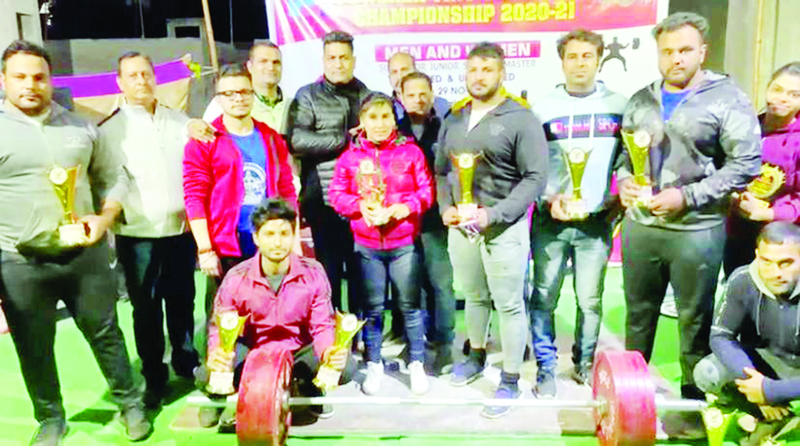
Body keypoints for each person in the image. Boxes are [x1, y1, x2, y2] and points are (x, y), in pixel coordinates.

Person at [0, 40, 151, 444]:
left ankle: (130, 403)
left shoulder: (81, 126)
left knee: (106, 333)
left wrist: (104, 219)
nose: (31, 84)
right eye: (20, 77)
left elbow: (115, 178)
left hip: (85, 255)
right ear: (4, 80)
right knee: (33, 345)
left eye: (39, 77)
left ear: (50, 80)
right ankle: (50, 418)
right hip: (19, 260)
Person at [618, 12, 761, 407]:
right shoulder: (641, 98)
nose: (675, 58)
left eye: (684, 50)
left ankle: (692, 401)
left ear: (702, 51)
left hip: (697, 230)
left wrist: (688, 196)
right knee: (638, 316)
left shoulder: (727, 98)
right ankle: (633, 397)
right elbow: (624, 157)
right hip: (641, 226)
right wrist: (626, 182)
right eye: (667, 51)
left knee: (694, 320)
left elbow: (746, 164)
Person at [437, 42, 548, 418]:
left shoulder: (521, 118)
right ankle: (477, 356)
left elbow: (535, 178)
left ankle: (511, 380)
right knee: (473, 296)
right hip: (461, 229)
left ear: (502, 74)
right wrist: (446, 208)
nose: (478, 77)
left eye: (486, 69)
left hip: (503, 229)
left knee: (509, 303)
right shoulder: (453, 118)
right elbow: (441, 172)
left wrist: (496, 214)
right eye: (472, 70)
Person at [529, 29, 628, 397]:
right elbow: (532, 168)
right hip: (549, 222)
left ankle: (584, 364)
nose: (580, 63)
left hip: (595, 223)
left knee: (590, 300)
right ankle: (545, 367)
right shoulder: (541, 108)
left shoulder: (620, 105)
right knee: (543, 296)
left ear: (599, 58)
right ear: (562, 61)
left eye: (587, 55)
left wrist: (617, 199)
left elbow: (629, 160)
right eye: (572, 56)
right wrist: (549, 198)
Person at [99, 51, 200, 408]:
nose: (141, 81)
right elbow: (105, 182)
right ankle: (154, 376)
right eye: (132, 75)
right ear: (120, 83)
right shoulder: (110, 130)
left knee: (182, 301)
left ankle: (187, 366)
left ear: (155, 77)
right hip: (137, 234)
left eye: (146, 73)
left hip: (179, 232)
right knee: (146, 309)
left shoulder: (180, 121)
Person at [199, 198, 355, 426]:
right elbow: (219, 327)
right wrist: (217, 354)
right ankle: (218, 393)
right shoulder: (235, 278)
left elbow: (322, 325)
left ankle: (305, 385)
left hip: (296, 349)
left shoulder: (314, 273)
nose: (277, 242)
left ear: (294, 237)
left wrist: (328, 354)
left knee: (346, 367)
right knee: (206, 373)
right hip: (254, 351)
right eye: (269, 234)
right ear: (256, 238)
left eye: (284, 234)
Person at [330, 92, 433, 395]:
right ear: (361, 121)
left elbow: (427, 190)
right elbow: (336, 195)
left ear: (394, 119)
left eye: (385, 116)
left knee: (410, 307)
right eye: (372, 117)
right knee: (373, 309)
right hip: (366, 246)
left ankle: (416, 362)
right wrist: (359, 206)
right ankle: (374, 363)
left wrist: (406, 207)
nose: (379, 123)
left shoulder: (411, 152)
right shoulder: (350, 157)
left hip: (404, 244)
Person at [183, 63, 297, 284]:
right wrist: (205, 249)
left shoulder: (271, 137)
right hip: (227, 247)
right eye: (229, 93)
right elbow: (194, 197)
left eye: (244, 92)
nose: (238, 98)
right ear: (219, 99)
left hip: (269, 243)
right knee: (230, 316)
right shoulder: (205, 141)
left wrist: (293, 242)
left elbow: (287, 191)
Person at [286, 31, 371, 313]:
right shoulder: (307, 95)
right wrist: (344, 139)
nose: (338, 64)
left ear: (354, 60)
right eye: (332, 58)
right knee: (328, 274)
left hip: (362, 202)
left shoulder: (367, 95)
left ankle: (360, 337)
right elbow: (297, 141)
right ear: (323, 60)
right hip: (323, 200)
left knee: (362, 274)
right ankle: (329, 336)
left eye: (344, 57)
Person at [695, 222, 800, 445]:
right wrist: (752, 382)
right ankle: (768, 416)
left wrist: (771, 391)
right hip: (766, 363)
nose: (775, 273)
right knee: (707, 371)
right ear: (757, 255)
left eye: (786, 263)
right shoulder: (742, 279)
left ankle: (771, 416)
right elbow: (721, 336)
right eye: (767, 262)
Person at [397, 71, 456, 373]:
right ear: (401, 98)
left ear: (433, 95)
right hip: (402, 223)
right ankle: (414, 343)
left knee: (442, 286)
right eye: (411, 94)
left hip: (437, 221)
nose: (418, 99)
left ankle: (445, 344)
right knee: (411, 287)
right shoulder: (393, 130)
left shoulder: (447, 127)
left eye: (424, 93)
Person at [724, 62, 800, 277]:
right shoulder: (747, 128)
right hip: (737, 231)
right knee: (737, 288)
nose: (783, 98)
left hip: (782, 239)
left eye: (794, 94)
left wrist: (768, 213)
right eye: (777, 89)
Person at [201, 41, 291, 135]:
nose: (271, 67)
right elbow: (205, 138)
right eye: (263, 61)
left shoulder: (293, 105)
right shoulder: (225, 101)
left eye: (276, 62)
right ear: (249, 66)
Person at [387, 52, 449, 122]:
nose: (400, 76)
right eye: (394, 72)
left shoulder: (442, 106)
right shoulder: (386, 109)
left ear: (415, 71)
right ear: (389, 77)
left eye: (404, 70)